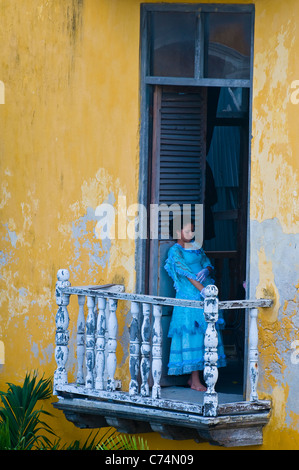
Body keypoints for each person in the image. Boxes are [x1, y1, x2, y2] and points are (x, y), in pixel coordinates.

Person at [164, 217, 226, 391]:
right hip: (189, 297)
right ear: (178, 232)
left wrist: (207, 270)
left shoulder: (196, 248)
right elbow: (186, 273)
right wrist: (203, 291)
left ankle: (197, 379)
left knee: (206, 334)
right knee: (193, 334)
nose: (191, 234)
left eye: (193, 230)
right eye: (187, 231)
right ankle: (195, 379)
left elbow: (207, 263)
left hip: (203, 292)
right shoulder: (175, 251)